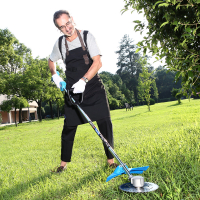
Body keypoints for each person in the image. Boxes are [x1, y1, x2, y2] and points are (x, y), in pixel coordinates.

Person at [49, 10, 118, 173]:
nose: (67, 28)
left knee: (104, 122)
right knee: (68, 128)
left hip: (93, 87)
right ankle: (63, 165)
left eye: (68, 23)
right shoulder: (59, 44)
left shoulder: (87, 36)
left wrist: (84, 80)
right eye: (62, 27)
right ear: (58, 29)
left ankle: (111, 161)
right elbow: (51, 61)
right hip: (73, 91)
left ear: (72, 19)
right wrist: (55, 76)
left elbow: (98, 62)